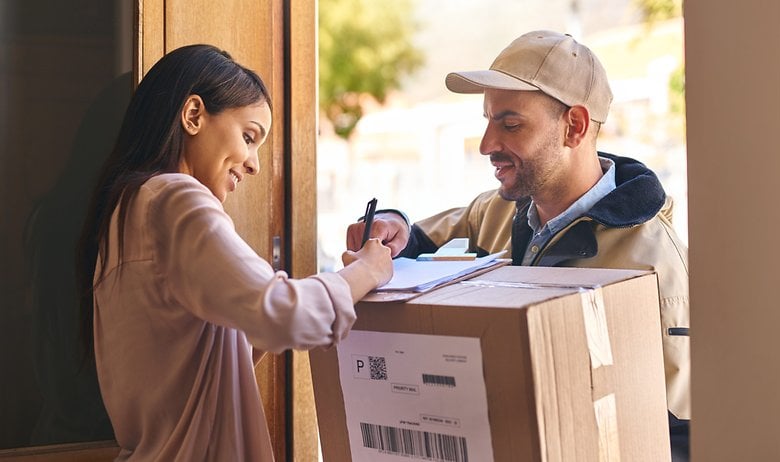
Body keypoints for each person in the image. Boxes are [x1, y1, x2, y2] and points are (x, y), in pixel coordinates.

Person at [346, 30, 690, 461]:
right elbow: (419, 241)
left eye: (510, 124)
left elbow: (675, 439)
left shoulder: (654, 265)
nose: (488, 144)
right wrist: (393, 225)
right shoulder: (495, 212)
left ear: (575, 127)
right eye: (488, 121)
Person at [76, 44, 393, 461]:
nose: (254, 164)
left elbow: (194, 366)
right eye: (248, 136)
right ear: (193, 116)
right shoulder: (176, 199)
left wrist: (264, 314)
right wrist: (367, 271)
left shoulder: (126, 209)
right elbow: (286, 314)